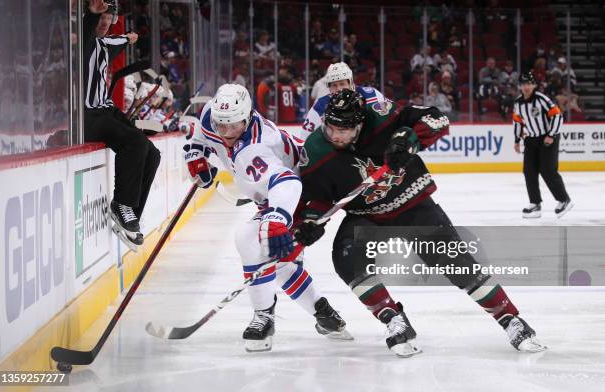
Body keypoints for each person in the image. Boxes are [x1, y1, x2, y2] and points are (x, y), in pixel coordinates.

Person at [293, 89, 546, 357]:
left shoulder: (381, 117)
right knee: (346, 259)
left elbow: (436, 120)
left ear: (360, 124)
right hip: (366, 216)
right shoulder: (315, 150)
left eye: (343, 130)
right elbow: (318, 196)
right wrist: (311, 221)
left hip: (412, 205)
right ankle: (393, 320)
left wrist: (408, 139)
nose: (335, 135)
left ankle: (511, 321)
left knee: (458, 265)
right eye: (330, 127)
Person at [183, 84, 352, 352]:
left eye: (233, 127)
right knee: (281, 263)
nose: (225, 133)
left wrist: (277, 219)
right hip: (270, 196)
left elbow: (287, 182)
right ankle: (324, 313)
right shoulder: (211, 116)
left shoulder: (256, 146)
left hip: (302, 192)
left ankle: (264, 317)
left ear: (247, 117)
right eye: (221, 125)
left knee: (252, 241)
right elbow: (201, 137)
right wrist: (196, 155)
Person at [83, 0, 160, 250]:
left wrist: (129, 38)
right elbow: (87, 33)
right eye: (100, 18)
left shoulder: (105, 43)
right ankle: (122, 205)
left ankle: (131, 214)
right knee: (136, 143)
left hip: (106, 111)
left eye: (108, 17)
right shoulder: (82, 42)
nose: (104, 22)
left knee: (153, 153)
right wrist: (91, 15)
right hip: (87, 116)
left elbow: (119, 39)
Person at [513, 73, 572, 218]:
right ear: (520, 86)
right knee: (529, 171)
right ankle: (535, 204)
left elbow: (557, 115)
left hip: (547, 138)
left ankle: (564, 199)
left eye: (529, 84)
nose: (526, 87)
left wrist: (551, 135)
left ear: (533, 85)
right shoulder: (518, 103)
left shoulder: (542, 99)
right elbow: (517, 122)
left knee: (547, 170)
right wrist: (516, 140)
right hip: (531, 140)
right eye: (523, 84)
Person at [299, 62, 385, 139]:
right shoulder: (321, 105)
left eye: (342, 84)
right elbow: (305, 137)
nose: (339, 89)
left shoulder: (371, 95)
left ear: (351, 83)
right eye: (334, 85)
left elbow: (385, 123)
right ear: (329, 87)